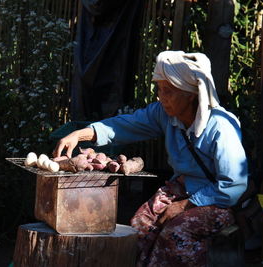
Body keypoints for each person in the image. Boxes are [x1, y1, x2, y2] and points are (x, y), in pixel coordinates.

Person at [53, 51, 248, 267]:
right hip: (181, 191)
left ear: (191, 93)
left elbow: (233, 186)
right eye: (159, 90)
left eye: (169, 91)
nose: (161, 97)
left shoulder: (221, 127)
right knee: (140, 226)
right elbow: (125, 125)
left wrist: (185, 205)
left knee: (176, 233)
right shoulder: (164, 114)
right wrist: (80, 134)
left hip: (219, 202)